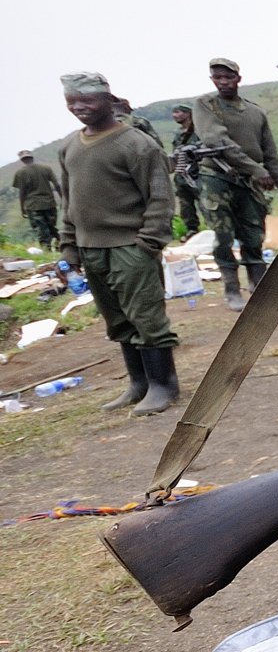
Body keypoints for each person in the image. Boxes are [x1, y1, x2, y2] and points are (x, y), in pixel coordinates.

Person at [54, 72, 180, 416]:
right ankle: (139, 384)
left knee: (146, 316)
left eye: (88, 100)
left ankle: (163, 386)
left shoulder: (137, 144)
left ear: (109, 101)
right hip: (90, 248)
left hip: (130, 246)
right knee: (118, 319)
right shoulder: (69, 146)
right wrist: (70, 246)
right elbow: (70, 202)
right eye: (72, 102)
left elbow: (160, 198)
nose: (79, 108)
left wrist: (148, 244)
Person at [194, 57, 278, 310]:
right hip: (217, 177)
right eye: (218, 77)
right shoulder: (207, 105)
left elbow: (270, 151)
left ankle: (258, 288)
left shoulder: (255, 112)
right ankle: (231, 290)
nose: (223, 82)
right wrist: (256, 169)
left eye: (228, 77)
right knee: (223, 234)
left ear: (239, 78)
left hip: (249, 183)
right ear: (212, 80)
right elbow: (216, 141)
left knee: (253, 235)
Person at [167, 103, 203, 236]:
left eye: (178, 112)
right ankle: (191, 230)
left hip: (198, 172)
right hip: (182, 173)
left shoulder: (199, 130)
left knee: (206, 203)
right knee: (185, 205)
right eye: (173, 112)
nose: (174, 115)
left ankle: (215, 231)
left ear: (188, 113)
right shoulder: (177, 133)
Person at [12, 150, 61, 248]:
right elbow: (57, 185)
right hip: (49, 203)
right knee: (52, 226)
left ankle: (47, 249)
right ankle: (60, 245)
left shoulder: (20, 173)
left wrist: (22, 208)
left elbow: (22, 192)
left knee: (40, 229)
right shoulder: (46, 168)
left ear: (22, 160)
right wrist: (63, 199)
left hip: (33, 205)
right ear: (32, 157)